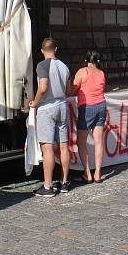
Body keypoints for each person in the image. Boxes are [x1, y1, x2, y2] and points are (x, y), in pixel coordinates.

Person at [29, 37, 72, 196]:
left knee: (47, 148)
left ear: (42, 51)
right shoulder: (64, 66)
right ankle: (65, 182)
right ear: (56, 49)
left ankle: (47, 186)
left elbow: (43, 87)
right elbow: (68, 90)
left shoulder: (42, 65)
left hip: (47, 108)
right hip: (62, 106)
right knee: (63, 146)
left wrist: (35, 102)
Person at [73, 51, 107, 183]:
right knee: (99, 141)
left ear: (86, 60)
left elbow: (73, 89)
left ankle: (87, 173)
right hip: (101, 105)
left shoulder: (82, 72)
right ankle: (98, 173)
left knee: (81, 142)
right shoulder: (101, 73)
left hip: (87, 107)